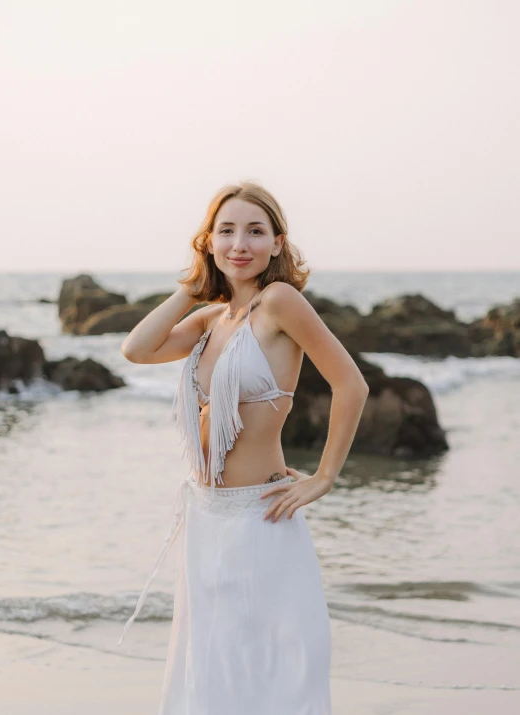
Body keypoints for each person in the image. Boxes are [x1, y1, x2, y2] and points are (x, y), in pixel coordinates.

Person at [118, 181, 369, 714]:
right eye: (226, 231)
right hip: (206, 520)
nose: (241, 243)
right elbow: (137, 349)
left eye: (256, 231)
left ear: (278, 243)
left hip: (262, 518)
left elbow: (352, 384)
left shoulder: (279, 303)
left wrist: (324, 478)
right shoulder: (211, 320)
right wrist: (195, 284)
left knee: (271, 670)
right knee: (210, 671)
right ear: (208, 241)